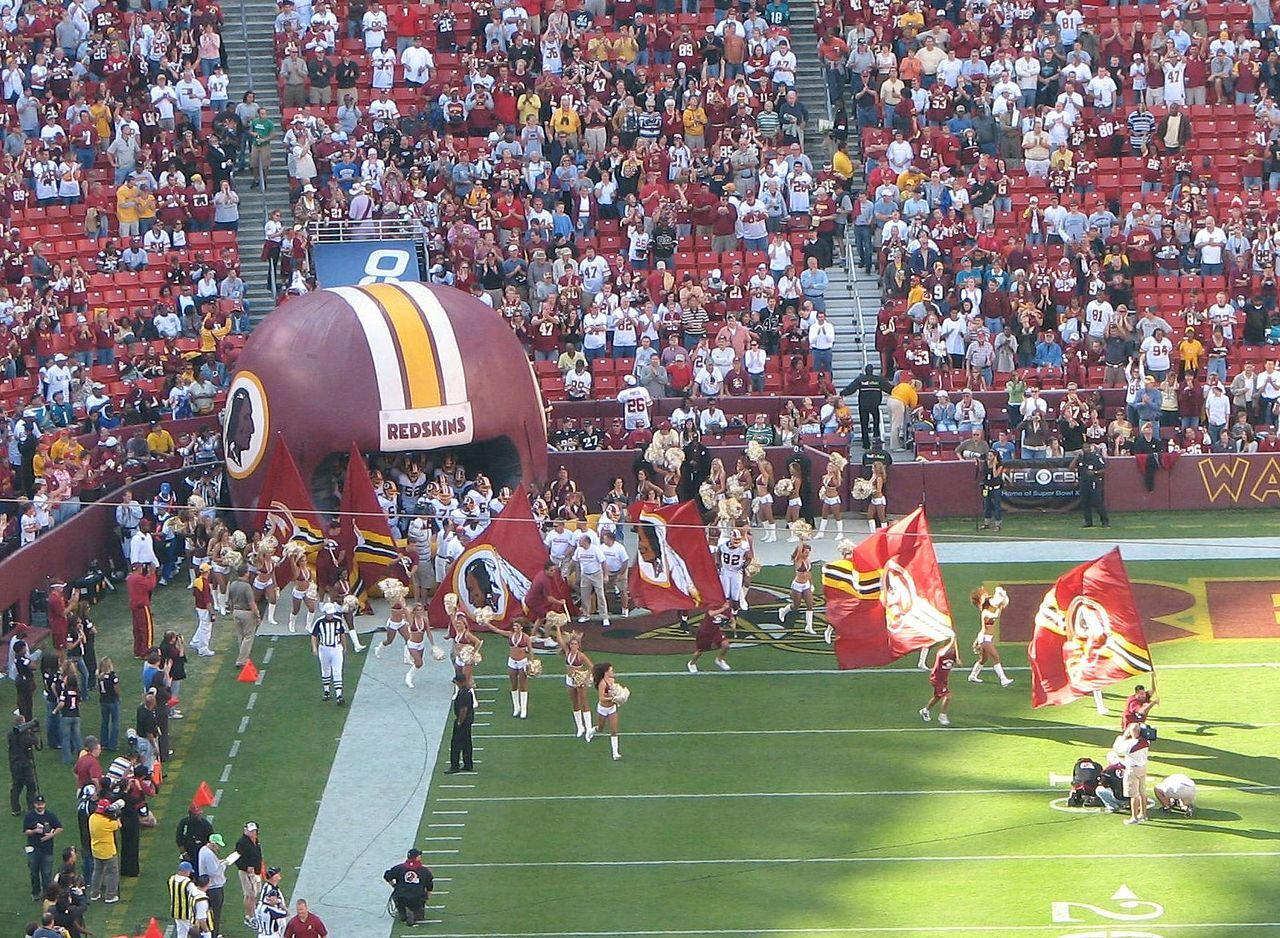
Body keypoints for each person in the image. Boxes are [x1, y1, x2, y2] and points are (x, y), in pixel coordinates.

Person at [552, 621, 595, 740]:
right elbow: (560, 640)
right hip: (569, 680)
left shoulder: (581, 656)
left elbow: (592, 667)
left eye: (575, 644)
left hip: (580, 680)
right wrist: (558, 628)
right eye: (571, 644)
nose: (573, 646)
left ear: (578, 645)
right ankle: (580, 727)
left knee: (584, 703)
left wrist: (586, 677)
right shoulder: (567, 653)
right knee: (575, 703)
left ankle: (589, 729)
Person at [967, 586, 1014, 687]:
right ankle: (1003, 679)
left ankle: (972, 676)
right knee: (996, 657)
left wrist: (976, 640)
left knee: (983, 659)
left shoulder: (987, 612)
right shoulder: (986, 613)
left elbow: (989, 623)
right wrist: (1000, 606)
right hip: (985, 639)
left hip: (984, 638)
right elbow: (995, 617)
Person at [23, 794, 63, 900]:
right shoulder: (29, 816)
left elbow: (59, 828)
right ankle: (35, 893)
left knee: (46, 873)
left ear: (44, 804)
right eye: (37, 804)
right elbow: (26, 831)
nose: (40, 806)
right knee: (34, 872)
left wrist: (51, 835)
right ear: (34, 804)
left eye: (41, 804)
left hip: (47, 849)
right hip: (33, 848)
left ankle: (47, 894)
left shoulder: (50, 815)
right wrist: (34, 831)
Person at [842, 364, 893, 447]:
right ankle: (876, 438)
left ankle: (866, 443)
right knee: (876, 423)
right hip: (874, 405)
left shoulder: (861, 379)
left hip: (863, 405)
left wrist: (842, 393)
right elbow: (889, 388)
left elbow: (851, 389)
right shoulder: (878, 380)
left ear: (865, 371)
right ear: (872, 371)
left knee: (864, 424)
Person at [311, 603, 352, 705]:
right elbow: (314, 635)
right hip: (324, 648)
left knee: (337, 671)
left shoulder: (338, 621)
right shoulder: (319, 622)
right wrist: (314, 648)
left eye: (332, 613)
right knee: (325, 670)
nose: (331, 615)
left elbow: (342, 634)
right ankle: (326, 691)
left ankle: (339, 695)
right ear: (325, 612)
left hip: (336, 648)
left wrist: (344, 646)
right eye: (329, 613)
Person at [383, 847, 433, 926]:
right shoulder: (425, 870)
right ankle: (414, 914)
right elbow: (429, 884)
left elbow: (387, 876)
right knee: (420, 916)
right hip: (417, 898)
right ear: (417, 857)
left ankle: (403, 912)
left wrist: (394, 886)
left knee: (400, 902)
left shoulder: (398, 868)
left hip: (401, 897)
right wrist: (428, 895)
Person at [919, 634, 962, 726]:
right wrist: (952, 640)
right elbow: (944, 652)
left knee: (937, 697)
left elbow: (959, 664)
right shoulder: (941, 652)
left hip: (944, 679)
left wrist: (958, 660)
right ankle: (942, 716)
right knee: (948, 696)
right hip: (936, 678)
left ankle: (925, 710)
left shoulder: (953, 653)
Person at [1116, 721, 1153, 824]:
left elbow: (1118, 749)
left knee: (1134, 795)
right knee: (1143, 792)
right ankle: (1144, 814)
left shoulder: (1131, 744)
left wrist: (1124, 736)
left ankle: (1134, 817)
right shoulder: (1146, 741)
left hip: (1132, 770)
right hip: (1143, 768)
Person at [88, 797, 122, 902]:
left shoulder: (92, 817)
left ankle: (94, 893)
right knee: (112, 872)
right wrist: (116, 816)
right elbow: (118, 825)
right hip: (107, 851)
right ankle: (110, 895)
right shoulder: (106, 822)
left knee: (97, 871)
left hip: (96, 849)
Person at [778, 541, 816, 634]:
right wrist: (801, 539)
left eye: (808, 552)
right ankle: (783, 611)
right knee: (796, 606)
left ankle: (809, 626)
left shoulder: (808, 560)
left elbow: (809, 573)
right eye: (806, 552)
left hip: (806, 584)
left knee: (810, 605)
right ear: (801, 552)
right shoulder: (798, 560)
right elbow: (799, 549)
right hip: (797, 585)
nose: (807, 554)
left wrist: (811, 584)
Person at [9, 713, 41, 815]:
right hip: (25, 764)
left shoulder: (10, 734)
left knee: (17, 786)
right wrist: (31, 732)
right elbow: (35, 741)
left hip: (14, 763)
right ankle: (31, 808)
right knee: (31, 786)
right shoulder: (25, 737)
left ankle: (15, 809)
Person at [229, 565, 261, 668]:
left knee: (240, 636)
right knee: (248, 636)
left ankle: (243, 656)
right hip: (246, 613)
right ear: (246, 573)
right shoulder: (247, 587)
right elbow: (252, 603)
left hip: (236, 611)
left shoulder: (233, 584)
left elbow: (230, 599)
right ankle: (241, 660)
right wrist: (257, 615)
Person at [1072, 442, 1110, 527]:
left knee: (1097, 502)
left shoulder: (1096, 457)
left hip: (1094, 482)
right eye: (1084, 448)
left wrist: (1095, 472)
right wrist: (1075, 458)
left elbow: (1104, 469)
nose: (1086, 450)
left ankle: (1104, 520)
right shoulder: (1081, 458)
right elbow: (1071, 468)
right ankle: (1088, 521)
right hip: (1083, 482)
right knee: (1085, 502)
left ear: (1090, 448)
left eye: (1087, 448)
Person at [234, 821, 265, 928]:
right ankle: (249, 916)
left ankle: (253, 912)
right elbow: (236, 859)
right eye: (250, 831)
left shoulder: (256, 841)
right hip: (246, 873)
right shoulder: (241, 843)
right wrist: (246, 868)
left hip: (256, 872)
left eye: (254, 831)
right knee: (250, 894)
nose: (253, 833)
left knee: (254, 894)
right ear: (245, 830)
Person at [687, 603, 733, 673]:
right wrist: (723, 609)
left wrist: (732, 623)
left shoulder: (728, 609)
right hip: (705, 631)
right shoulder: (713, 605)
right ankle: (692, 663)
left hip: (715, 630)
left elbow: (731, 618)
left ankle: (719, 660)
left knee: (726, 645)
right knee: (701, 650)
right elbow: (711, 613)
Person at [445, 674, 476, 774]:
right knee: (467, 743)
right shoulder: (467, 691)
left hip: (463, 721)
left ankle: (455, 766)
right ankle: (468, 764)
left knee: (456, 744)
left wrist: (459, 721)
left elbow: (463, 709)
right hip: (468, 720)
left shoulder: (463, 693)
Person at [592, 662, 624, 760]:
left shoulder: (612, 680)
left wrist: (620, 695)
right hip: (603, 709)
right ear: (606, 672)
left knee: (614, 730)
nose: (613, 672)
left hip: (612, 708)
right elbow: (601, 698)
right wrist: (613, 698)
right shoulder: (602, 683)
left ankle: (615, 753)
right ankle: (592, 731)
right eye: (611, 670)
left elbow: (614, 691)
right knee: (600, 729)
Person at [198, 832, 229, 933]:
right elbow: (215, 872)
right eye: (217, 845)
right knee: (215, 914)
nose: (218, 848)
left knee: (209, 913)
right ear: (212, 843)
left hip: (209, 887)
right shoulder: (209, 854)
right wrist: (224, 865)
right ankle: (214, 933)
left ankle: (207, 932)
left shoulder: (203, 850)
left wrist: (219, 862)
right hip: (214, 888)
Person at [126, 562, 158, 658]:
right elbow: (150, 585)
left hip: (134, 606)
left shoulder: (130, 578)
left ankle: (138, 650)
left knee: (137, 629)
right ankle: (146, 652)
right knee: (146, 630)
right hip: (142, 605)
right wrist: (152, 573)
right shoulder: (138, 578)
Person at [255, 866, 289, 937]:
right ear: (273, 877)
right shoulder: (271, 891)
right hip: (272, 933)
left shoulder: (268, 887)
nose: (279, 874)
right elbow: (286, 913)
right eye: (277, 873)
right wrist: (280, 904)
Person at [168, 860, 196, 938]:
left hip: (175, 911)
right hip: (187, 913)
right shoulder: (188, 883)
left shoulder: (171, 879)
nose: (189, 873)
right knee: (195, 933)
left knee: (181, 933)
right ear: (185, 871)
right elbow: (195, 895)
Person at [978, 450, 1004, 532]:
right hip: (987, 487)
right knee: (986, 505)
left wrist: (994, 465)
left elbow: (995, 475)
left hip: (996, 487)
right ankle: (987, 523)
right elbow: (983, 474)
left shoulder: (1000, 465)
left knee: (997, 506)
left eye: (991, 456)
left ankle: (998, 524)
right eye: (988, 455)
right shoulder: (985, 463)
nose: (989, 457)